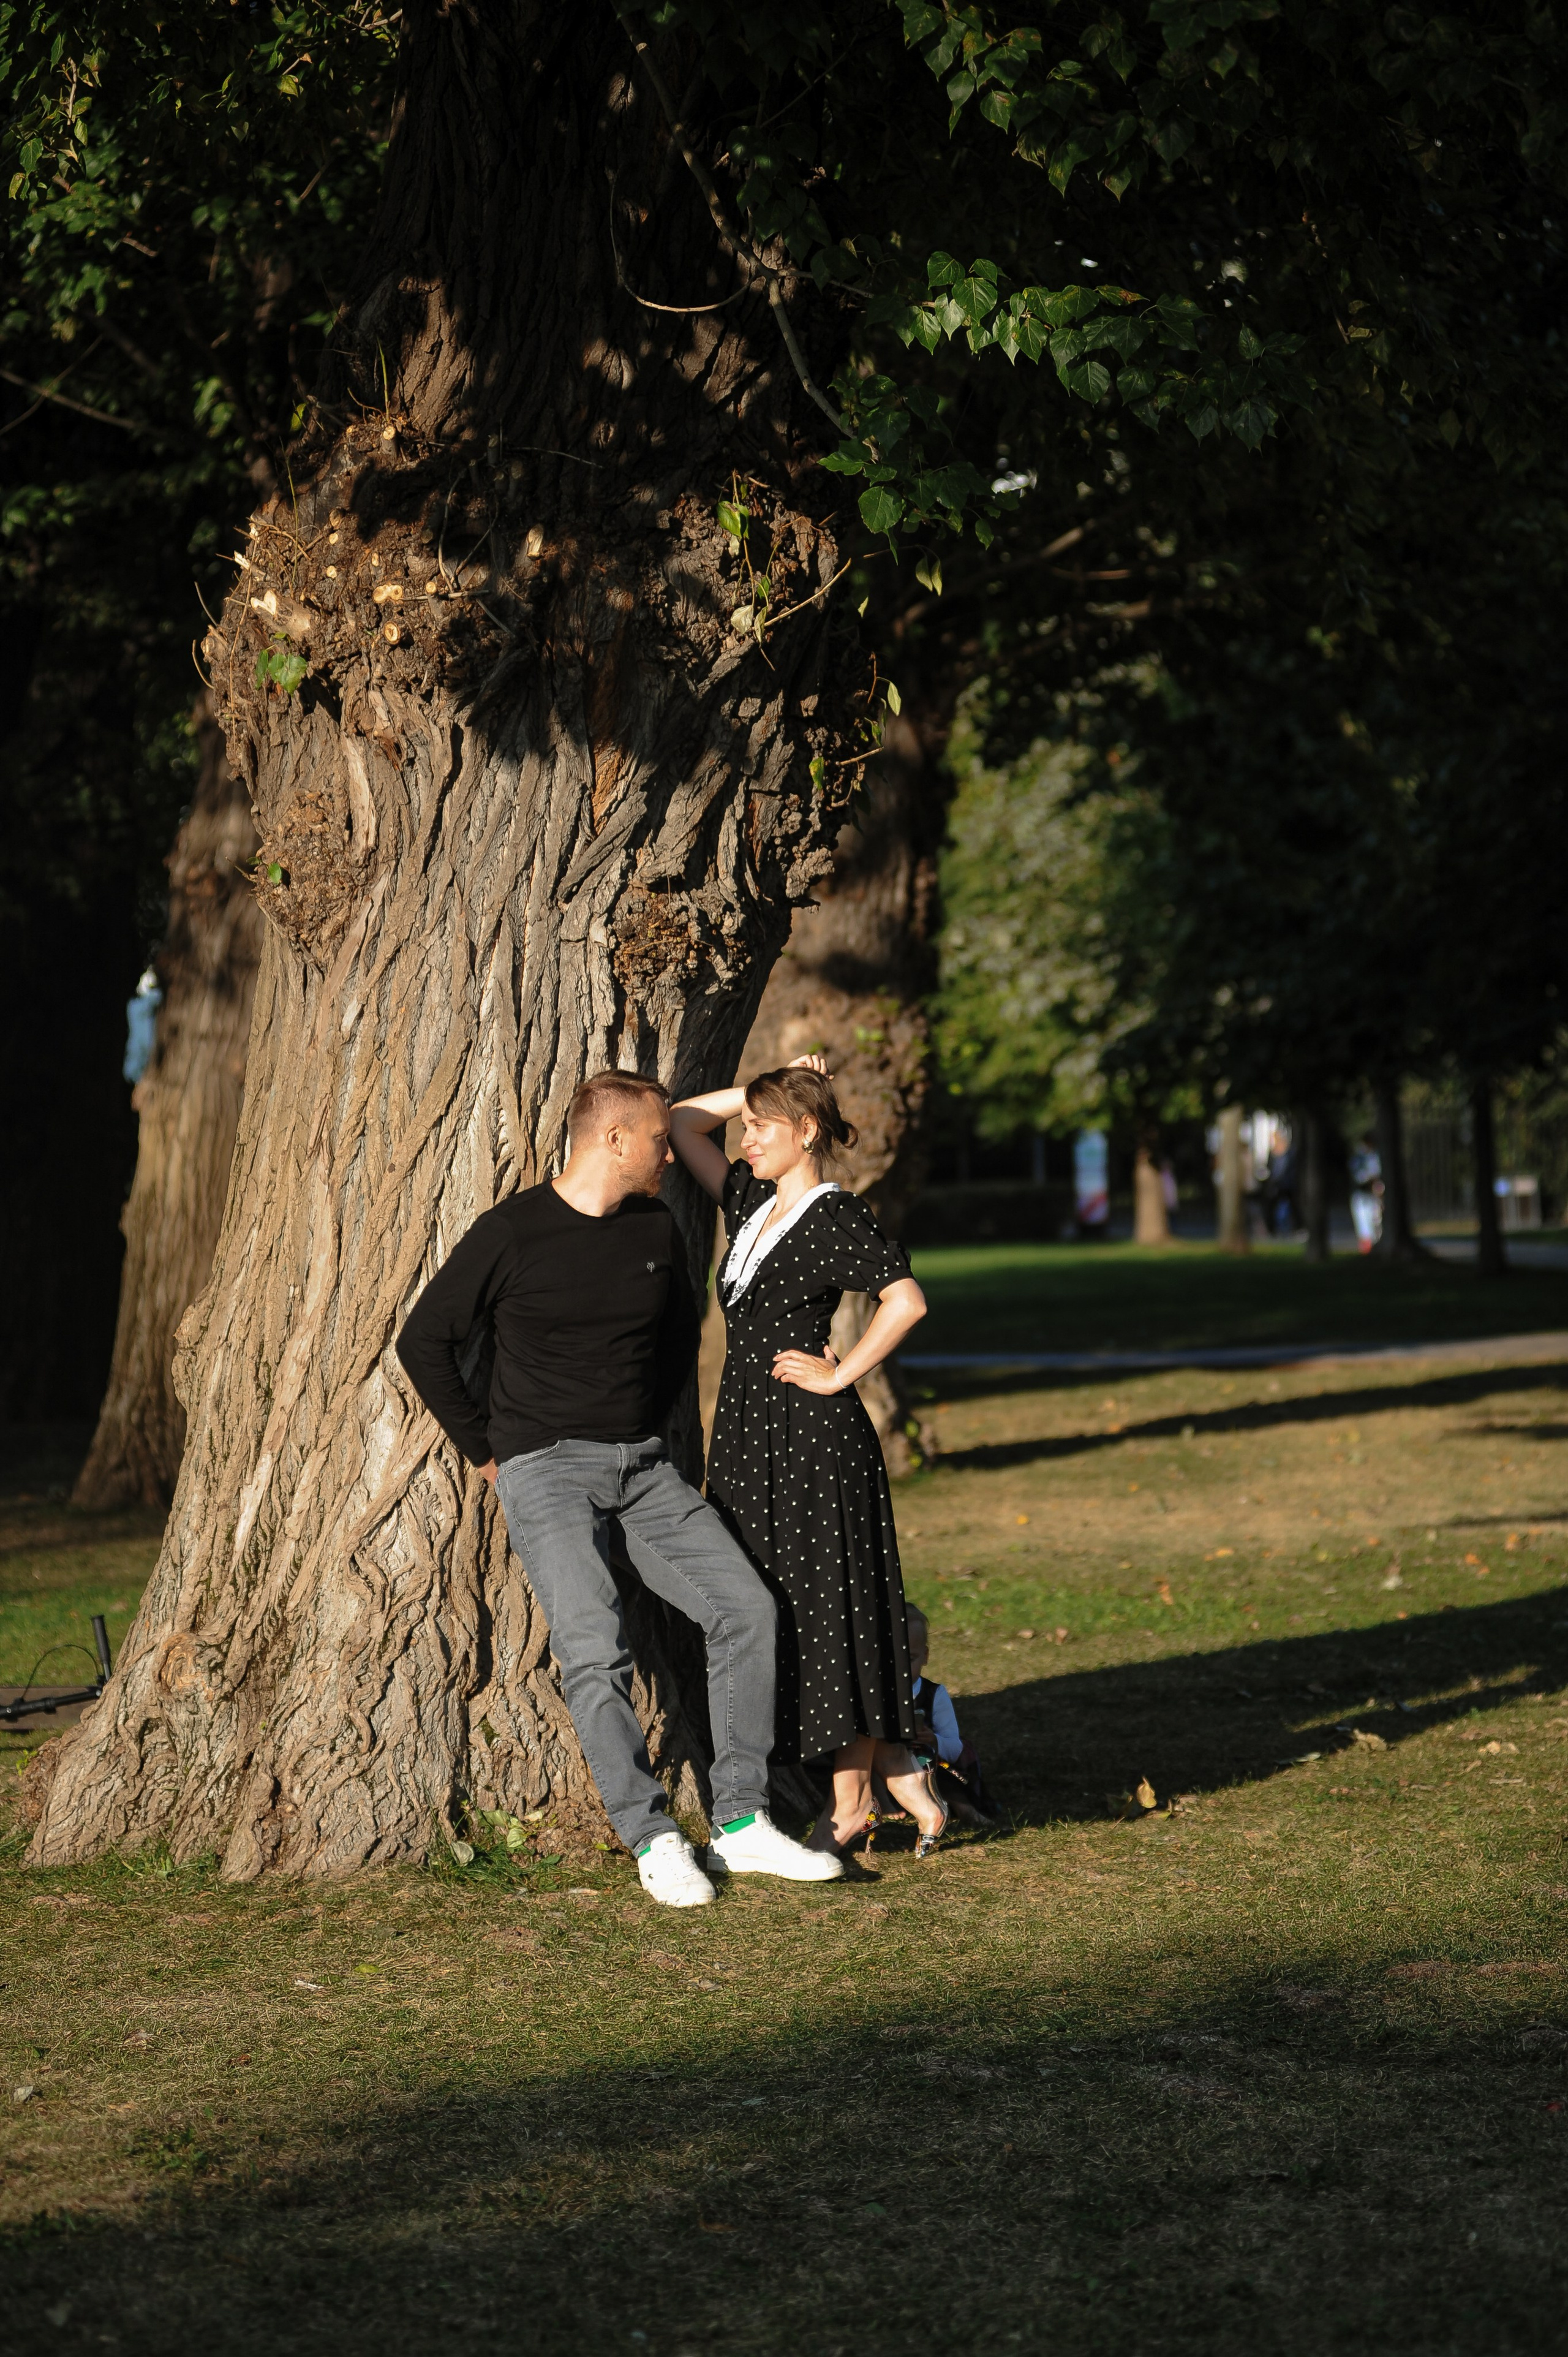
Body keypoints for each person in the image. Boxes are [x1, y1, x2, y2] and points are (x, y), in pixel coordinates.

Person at [396, 1069, 843, 1909]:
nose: (667, 1154)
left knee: (745, 1610)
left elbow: (678, 1340)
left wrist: (650, 1431)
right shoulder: (513, 1232)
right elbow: (425, 1340)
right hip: (544, 1467)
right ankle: (652, 1836)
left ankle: (743, 1825)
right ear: (611, 1141)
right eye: (654, 1140)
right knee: (595, 1645)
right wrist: (488, 1452)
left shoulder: (654, 1227)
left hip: (643, 1467)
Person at [669, 1055, 947, 1859]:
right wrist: (778, 1079)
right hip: (752, 1437)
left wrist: (842, 1374)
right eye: (748, 1127)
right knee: (770, 1606)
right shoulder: (751, 1201)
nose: (746, 1137)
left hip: (816, 1437)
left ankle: (852, 1800)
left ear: (808, 1133)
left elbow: (907, 1300)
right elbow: (686, 1120)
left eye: (762, 1127)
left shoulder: (836, 1217)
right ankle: (891, 1761)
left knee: (830, 1611)